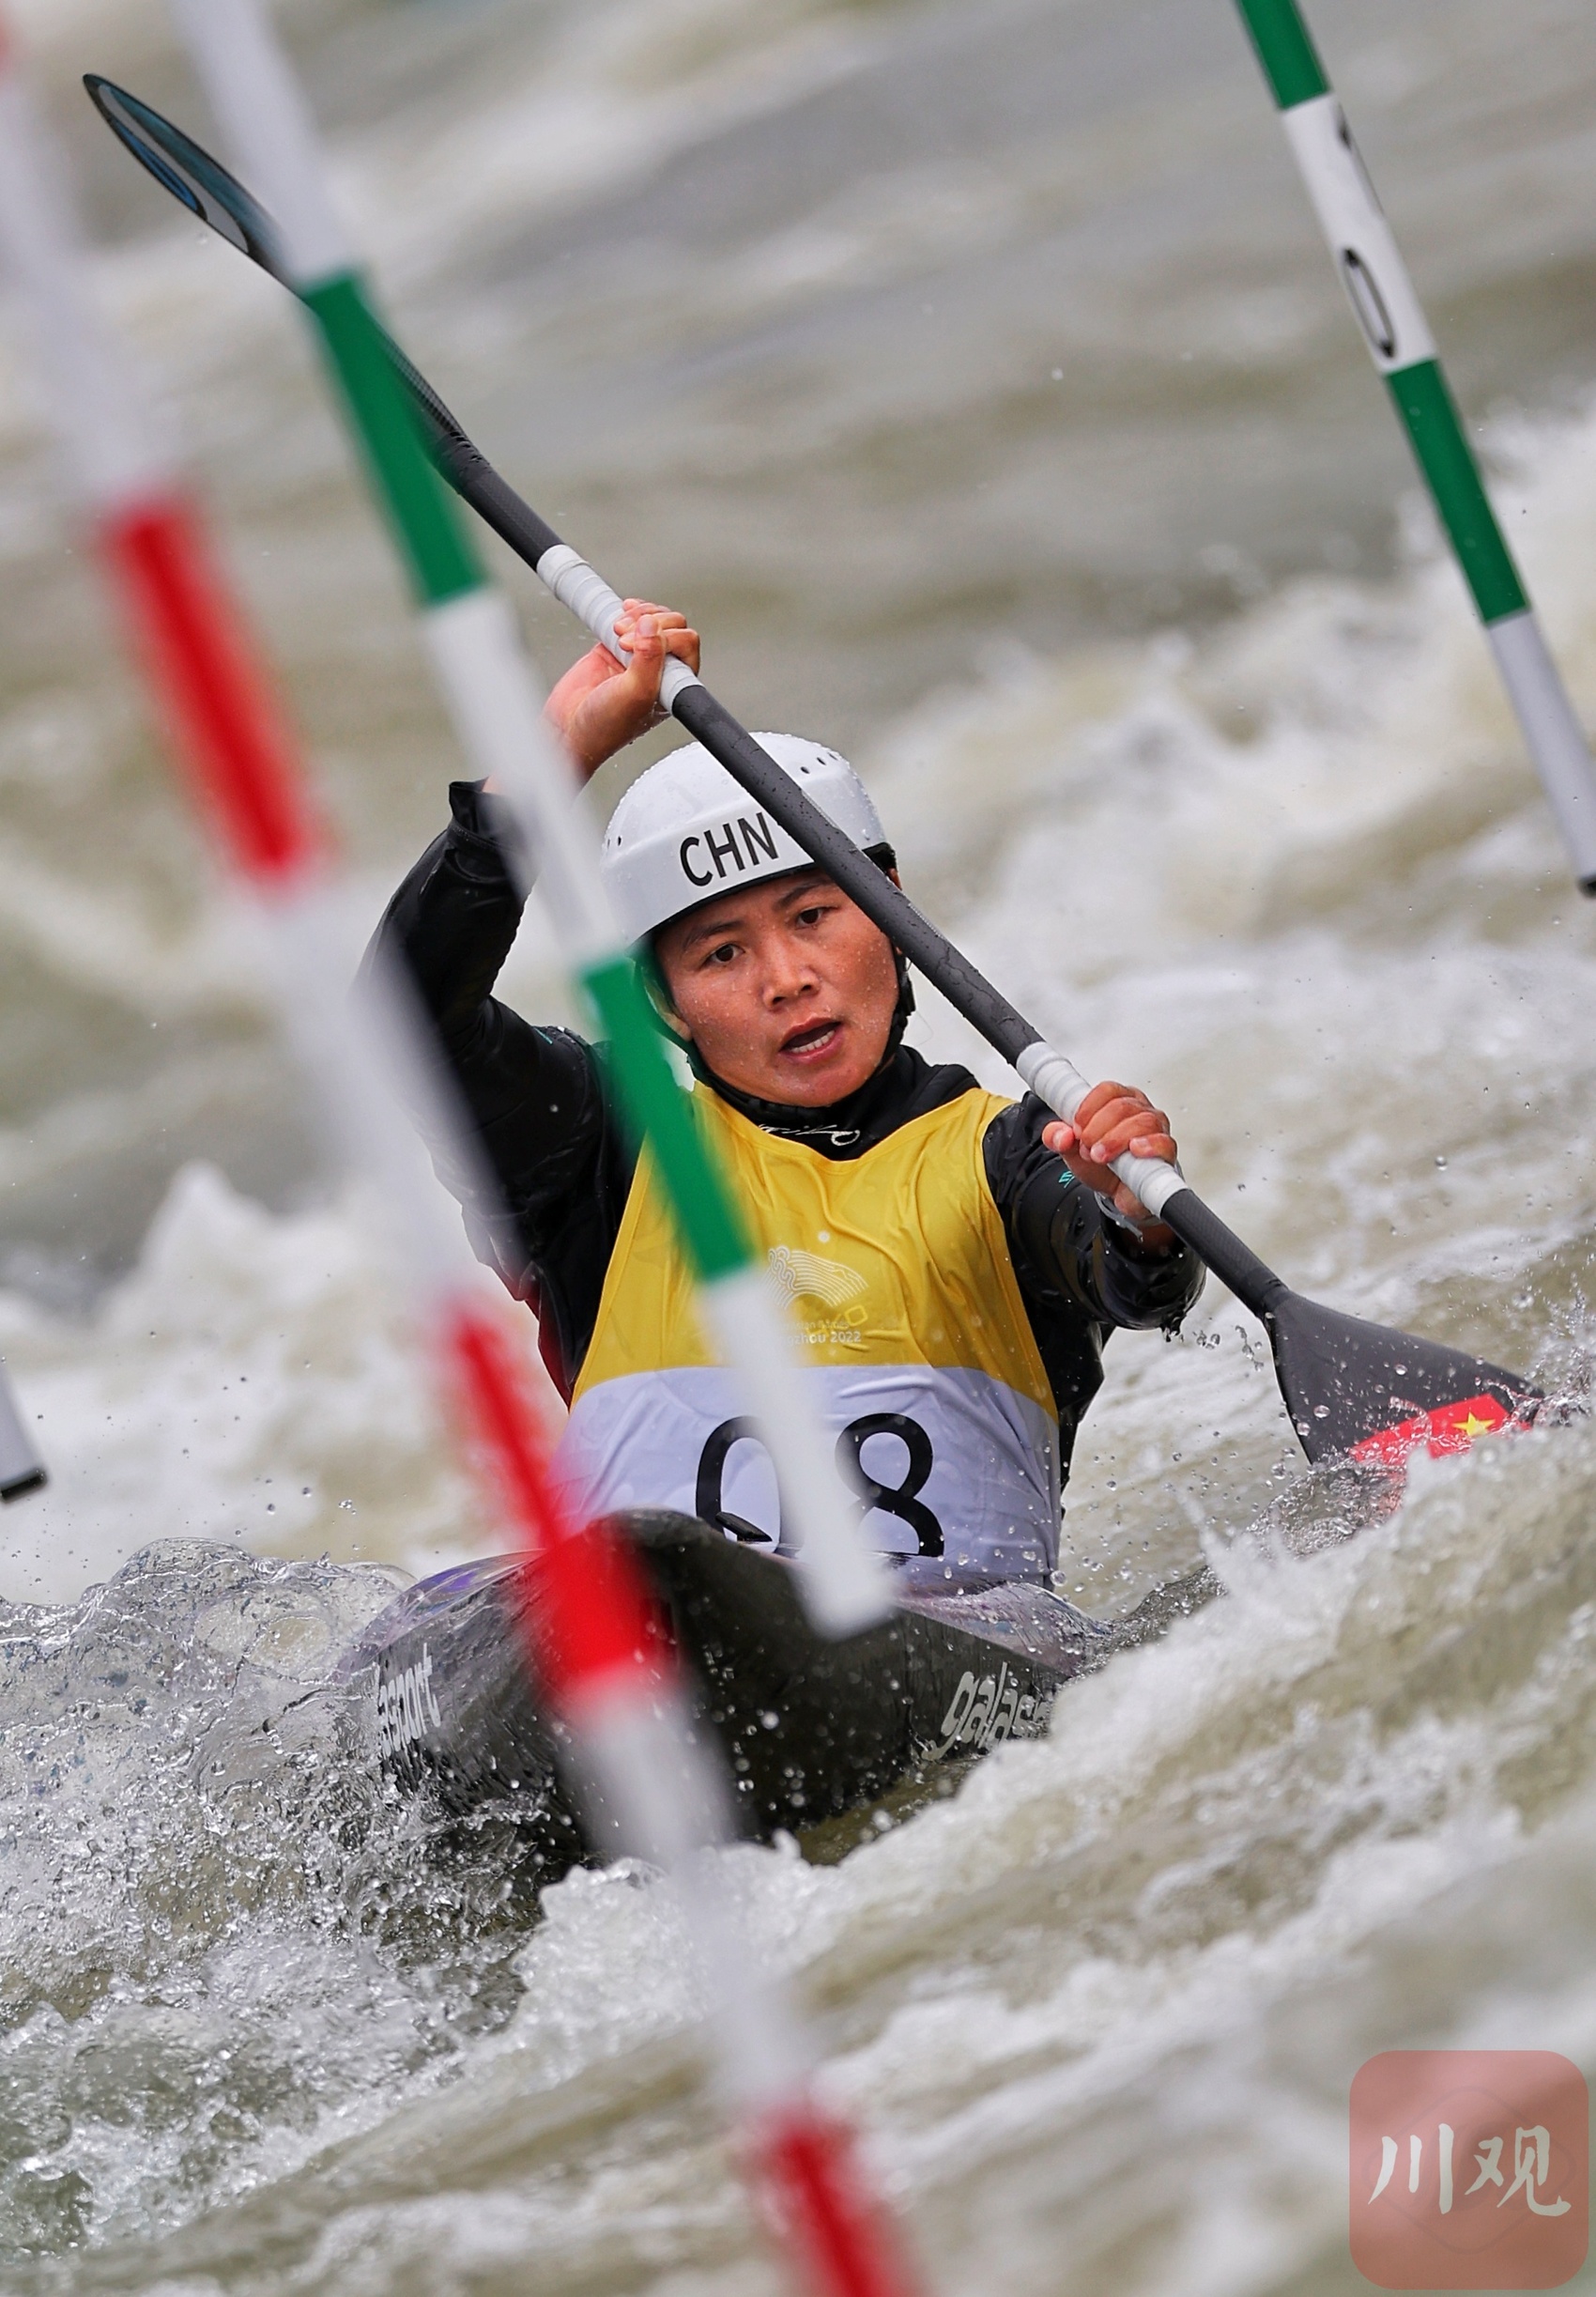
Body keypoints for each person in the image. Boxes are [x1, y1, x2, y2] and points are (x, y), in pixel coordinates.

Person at [370, 605, 1204, 1586]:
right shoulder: (604, 1151)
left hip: (946, 1641)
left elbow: (1134, 1282)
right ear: (662, 1000)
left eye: (812, 916)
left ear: (892, 908)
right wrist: (554, 756)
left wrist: (1138, 1218)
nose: (786, 978)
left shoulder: (1017, 1157)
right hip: (651, 1630)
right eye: (721, 953)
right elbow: (402, 1022)